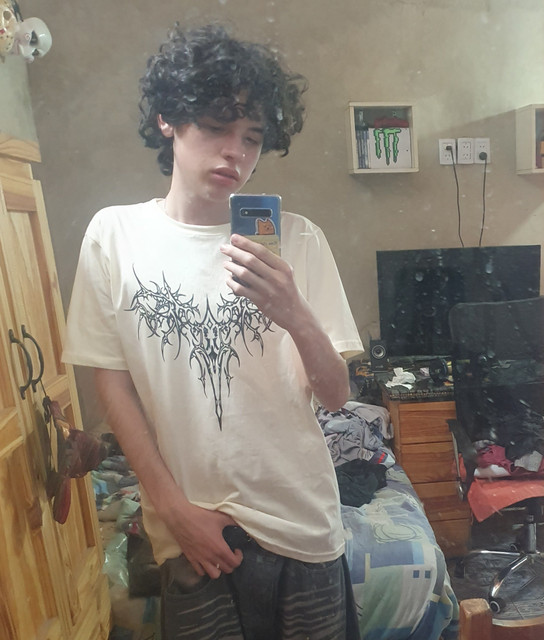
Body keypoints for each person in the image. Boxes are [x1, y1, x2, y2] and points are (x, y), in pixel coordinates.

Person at [62, 22, 363, 640]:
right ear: (168, 119)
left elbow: (337, 396)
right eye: (217, 127)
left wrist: (295, 313)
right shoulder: (115, 237)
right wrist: (172, 511)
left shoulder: (298, 239)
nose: (236, 153)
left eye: (252, 137)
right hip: (193, 536)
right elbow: (112, 387)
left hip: (304, 525)